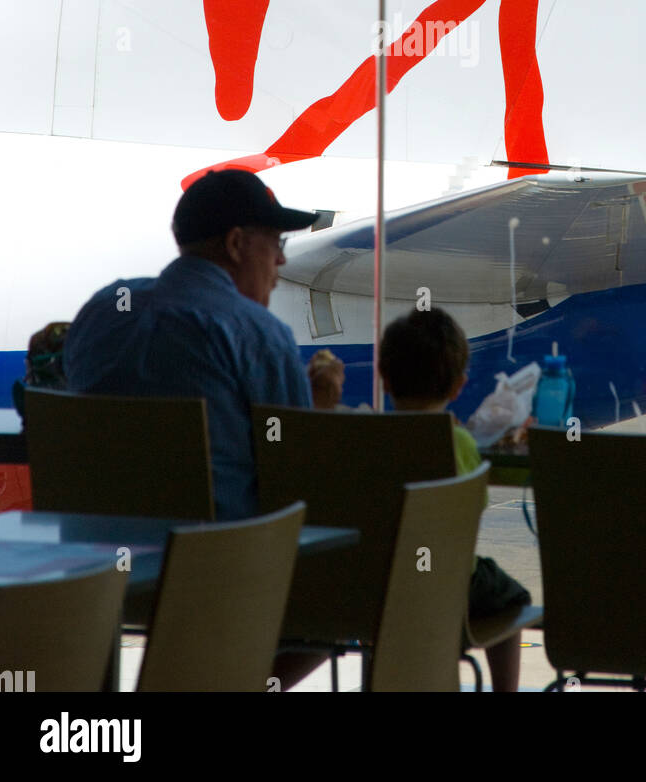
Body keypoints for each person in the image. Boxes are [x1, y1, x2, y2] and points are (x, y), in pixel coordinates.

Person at [64, 169, 318, 522]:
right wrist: (319, 408)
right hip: (216, 564)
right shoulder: (259, 335)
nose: (281, 260)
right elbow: (296, 475)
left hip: (96, 561)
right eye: (276, 243)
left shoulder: (102, 310)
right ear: (235, 244)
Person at [378, 306, 532, 693]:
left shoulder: (370, 436)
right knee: (514, 597)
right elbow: (473, 506)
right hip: (448, 591)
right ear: (457, 386)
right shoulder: (459, 443)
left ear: (384, 379)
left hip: (378, 590)